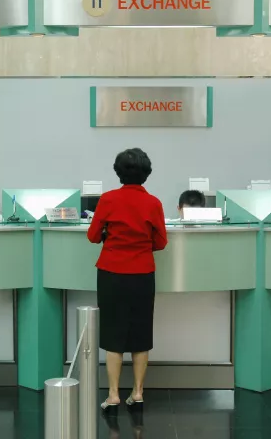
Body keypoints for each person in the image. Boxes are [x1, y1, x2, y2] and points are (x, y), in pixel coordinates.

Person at [86, 148, 168, 414]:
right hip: (143, 273)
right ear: (147, 173)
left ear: (118, 172)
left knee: (113, 332)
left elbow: (93, 236)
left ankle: (112, 395)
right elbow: (161, 242)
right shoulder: (154, 203)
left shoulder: (108, 200)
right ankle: (138, 392)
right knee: (141, 333)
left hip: (111, 272)